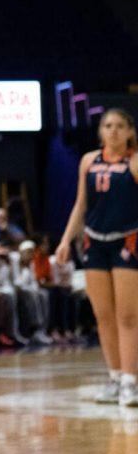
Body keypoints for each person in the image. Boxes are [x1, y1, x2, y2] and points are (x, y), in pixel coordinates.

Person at [55, 108, 138, 406]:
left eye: (119, 126)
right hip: (94, 241)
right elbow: (81, 205)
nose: (113, 131)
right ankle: (114, 378)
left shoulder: (134, 161)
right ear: (100, 131)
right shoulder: (88, 161)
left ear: (130, 132)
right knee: (103, 316)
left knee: (127, 316)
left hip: (128, 240)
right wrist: (66, 240)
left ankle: (131, 381)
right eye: (108, 126)